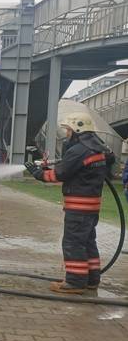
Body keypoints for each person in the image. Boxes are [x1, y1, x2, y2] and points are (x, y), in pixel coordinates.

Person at [25, 112, 114, 294]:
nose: (66, 133)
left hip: (78, 206)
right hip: (92, 206)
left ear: (77, 129)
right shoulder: (98, 148)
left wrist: (38, 173)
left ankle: (75, 282)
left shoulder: (78, 150)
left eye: (68, 129)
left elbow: (60, 174)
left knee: (73, 243)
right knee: (87, 242)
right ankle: (91, 280)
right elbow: (75, 171)